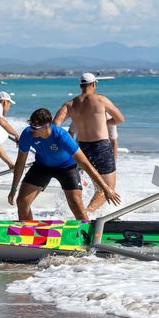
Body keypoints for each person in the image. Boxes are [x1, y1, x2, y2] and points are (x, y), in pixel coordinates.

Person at [8, 108, 121, 220]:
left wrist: (105, 187)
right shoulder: (27, 134)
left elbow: (85, 163)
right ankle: (28, 232)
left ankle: (86, 235)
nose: (31, 129)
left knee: (76, 205)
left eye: (35, 127)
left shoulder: (61, 136)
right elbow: (20, 163)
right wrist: (13, 189)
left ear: (47, 126)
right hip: (42, 166)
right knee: (22, 202)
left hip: (66, 168)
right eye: (30, 125)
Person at [53, 73, 125, 214]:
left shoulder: (70, 104)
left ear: (80, 86)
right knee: (107, 188)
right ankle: (87, 214)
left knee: (93, 185)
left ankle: (84, 213)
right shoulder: (101, 100)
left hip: (81, 148)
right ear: (93, 84)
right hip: (101, 147)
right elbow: (120, 119)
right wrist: (103, 123)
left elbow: (55, 126)